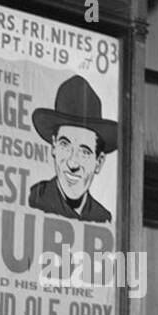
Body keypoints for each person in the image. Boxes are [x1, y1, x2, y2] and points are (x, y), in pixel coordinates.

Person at [28, 75, 115, 223]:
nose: (73, 163)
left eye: (85, 152)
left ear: (99, 162)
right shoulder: (35, 201)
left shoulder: (102, 218)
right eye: (65, 145)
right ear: (54, 146)